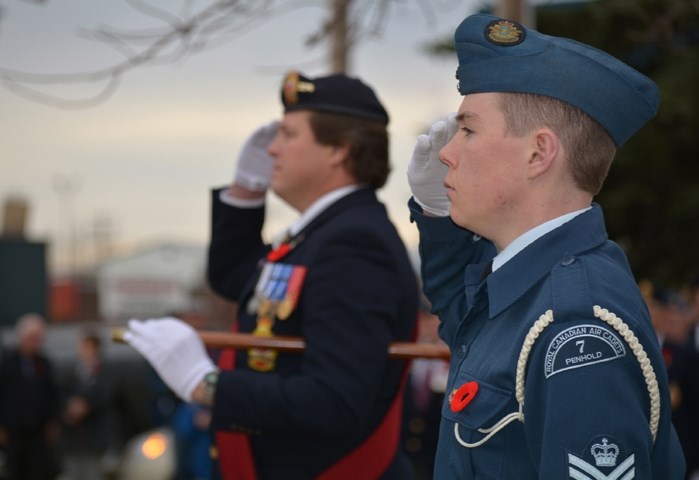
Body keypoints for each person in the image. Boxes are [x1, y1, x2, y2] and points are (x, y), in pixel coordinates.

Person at [406, 13, 686, 479]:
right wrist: (437, 212)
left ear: (538, 153)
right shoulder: (530, 286)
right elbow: (468, 321)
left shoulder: (575, 331)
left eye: (469, 130)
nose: (447, 152)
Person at [124, 71, 419, 479]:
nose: (273, 150)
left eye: (288, 135)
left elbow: (336, 400)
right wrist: (245, 192)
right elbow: (237, 282)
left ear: (338, 150)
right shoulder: (324, 233)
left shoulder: (353, 244)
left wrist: (206, 383)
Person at [0, 313, 61, 480]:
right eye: (32, 338)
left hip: (38, 434)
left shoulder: (44, 364)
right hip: (13, 433)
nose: (36, 343)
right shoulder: (7, 364)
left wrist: (52, 421)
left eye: (39, 338)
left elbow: (53, 394)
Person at [59, 331, 117, 480]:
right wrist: (69, 410)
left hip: (96, 439)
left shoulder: (106, 373)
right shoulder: (71, 373)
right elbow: (62, 396)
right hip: (73, 439)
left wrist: (86, 406)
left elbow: (106, 396)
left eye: (87, 347)